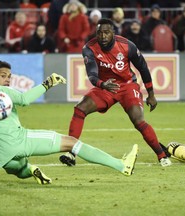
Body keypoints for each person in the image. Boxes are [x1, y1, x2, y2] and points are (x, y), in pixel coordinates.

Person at [0, 60, 139, 185]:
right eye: (3, 76)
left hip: (0, 156)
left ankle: (31, 170)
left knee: (19, 169)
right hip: (21, 141)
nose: (7, 79)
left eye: (9, 76)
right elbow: (26, 99)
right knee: (72, 143)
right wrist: (48, 83)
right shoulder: (4, 93)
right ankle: (122, 166)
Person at [59, 18, 172, 167]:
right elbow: (92, 74)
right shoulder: (89, 48)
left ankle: (162, 155)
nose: (103, 36)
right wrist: (102, 84)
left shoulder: (127, 46)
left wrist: (151, 94)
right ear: (96, 34)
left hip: (127, 86)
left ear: (113, 32)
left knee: (138, 120)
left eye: (106, 32)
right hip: (106, 87)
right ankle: (71, 152)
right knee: (80, 108)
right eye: (100, 33)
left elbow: (143, 68)